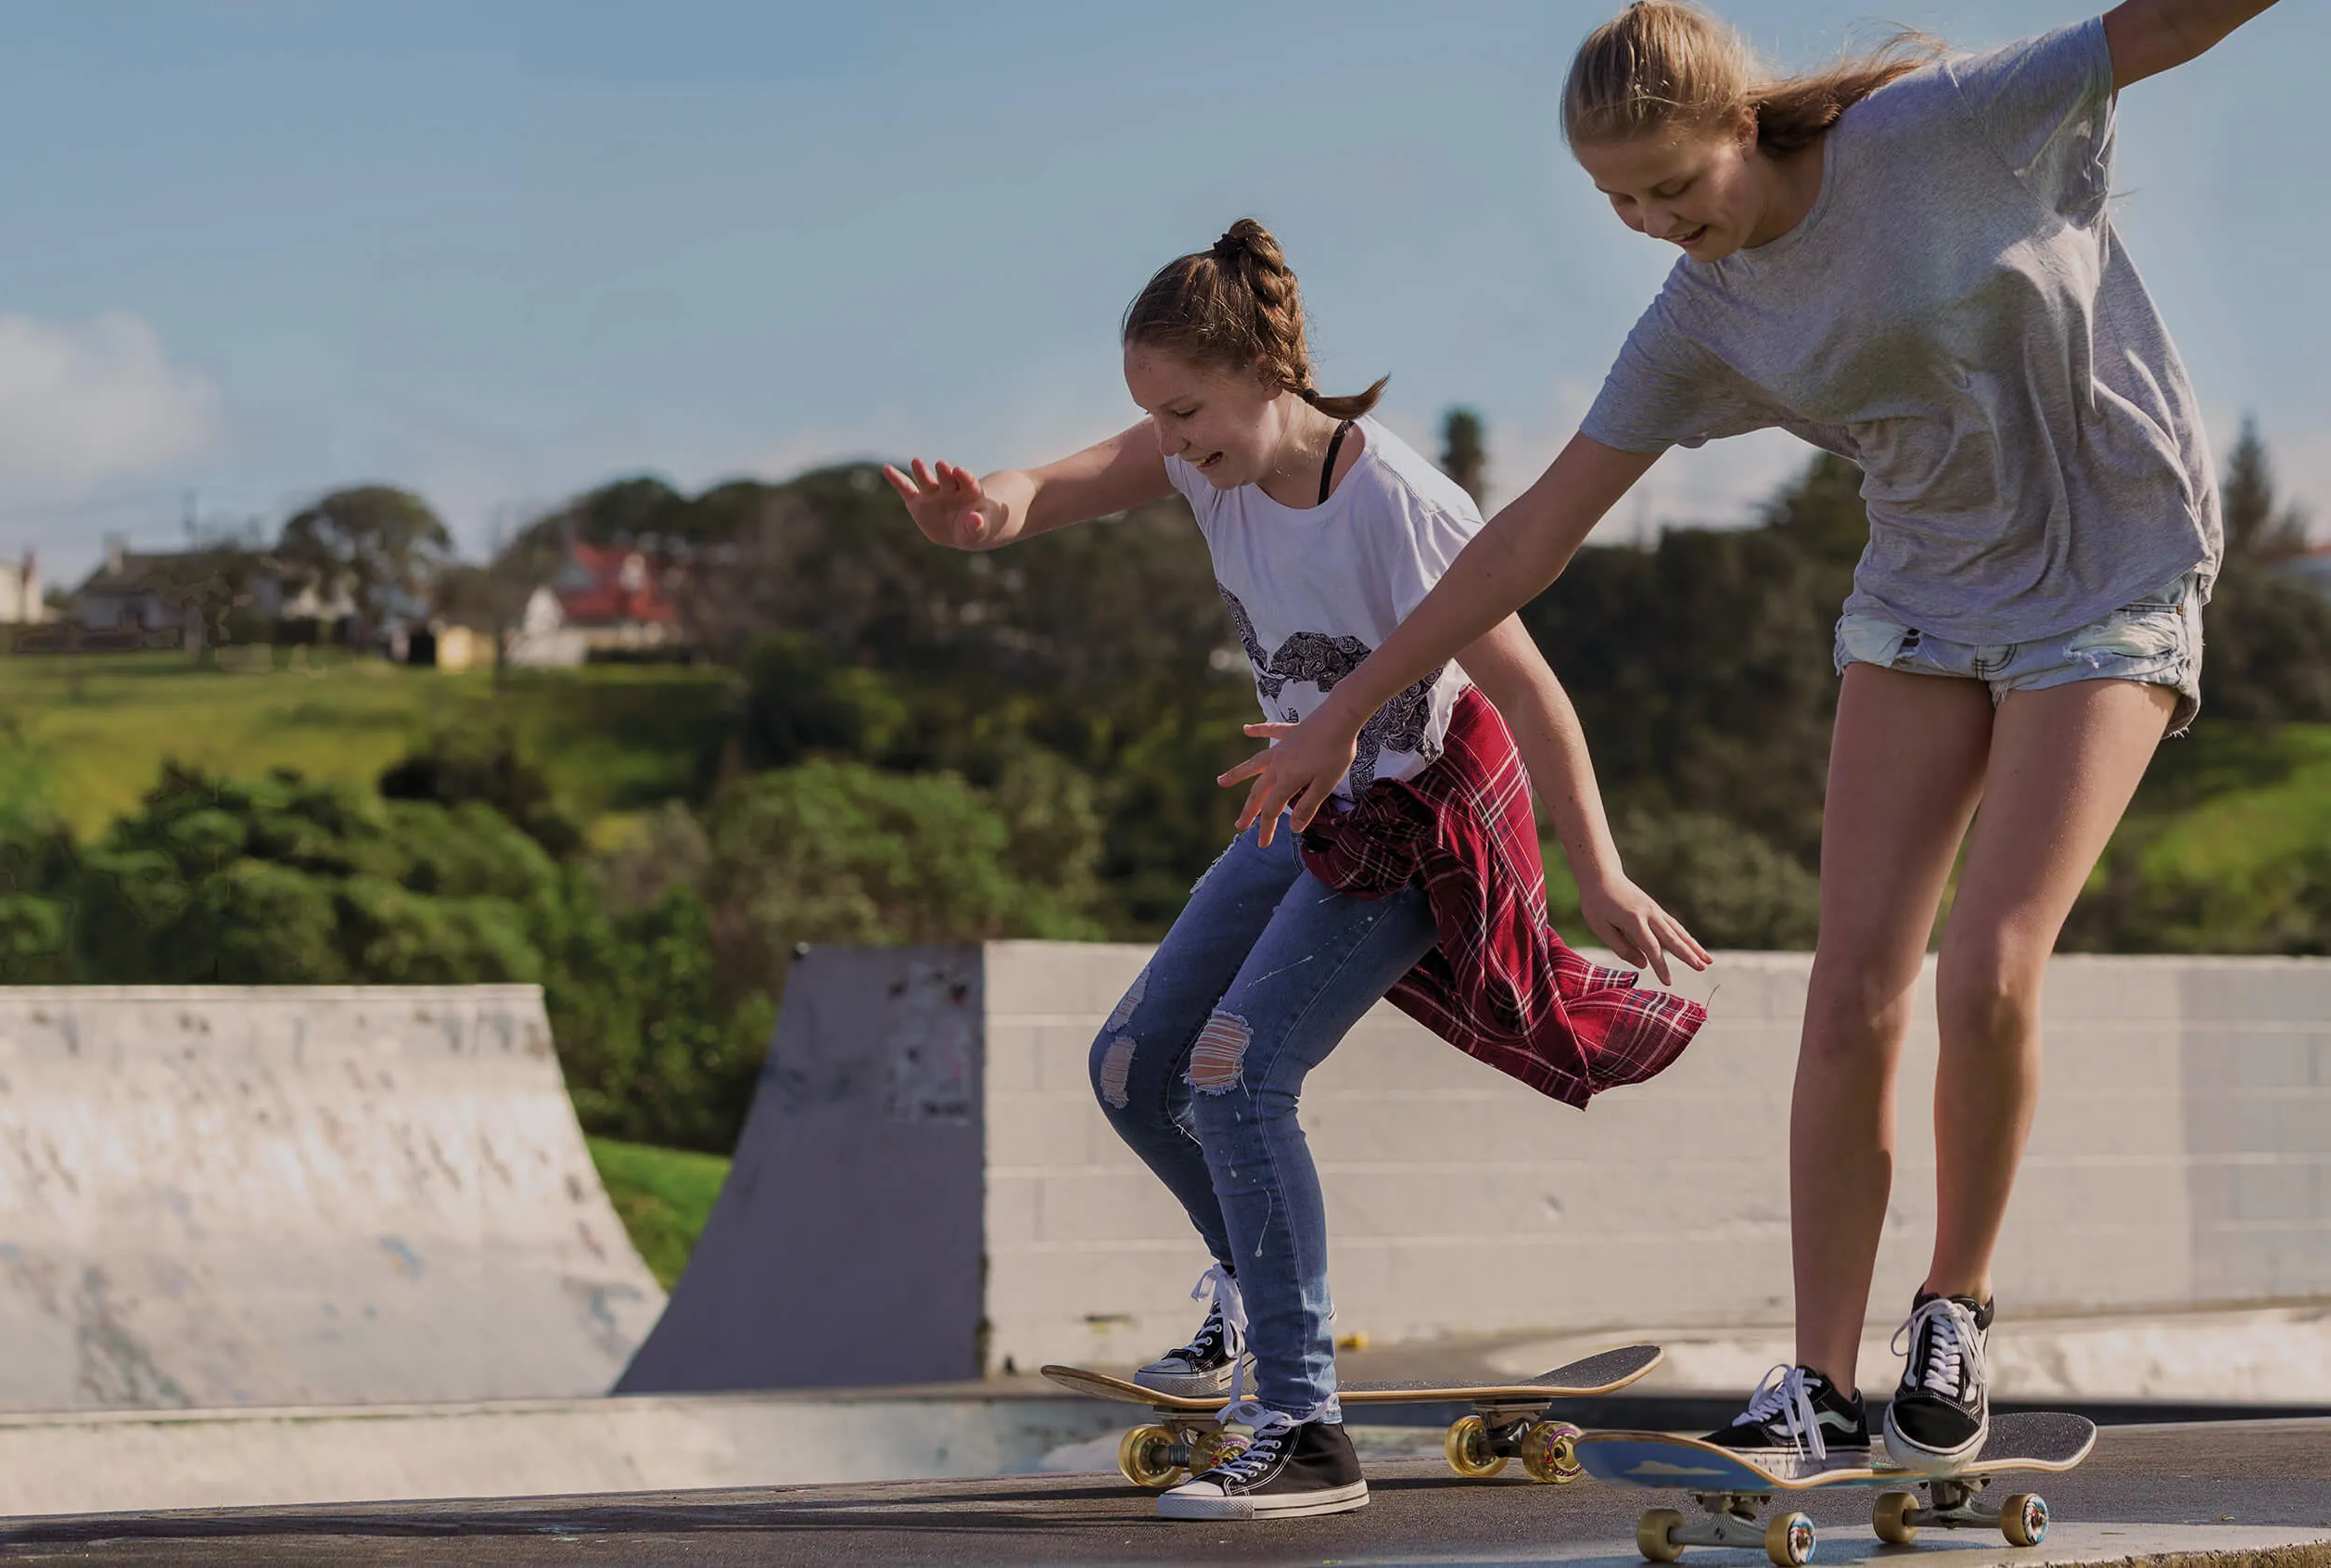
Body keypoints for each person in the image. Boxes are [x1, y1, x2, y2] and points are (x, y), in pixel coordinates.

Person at [1222, 0, 2282, 1480]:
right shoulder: (1701, 318)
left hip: (2115, 576)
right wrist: (1342, 711)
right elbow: (1527, 535)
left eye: (1675, 186)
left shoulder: (1947, 128)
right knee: (1852, 984)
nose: (1657, 223)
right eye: (1620, 202)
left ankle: (1955, 1307)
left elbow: (2162, 24)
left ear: (1744, 124)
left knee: (1987, 962)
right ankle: (1816, 1380)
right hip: (1920, 601)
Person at [887, 218, 1712, 1521]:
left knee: (1234, 1074)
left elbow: (1535, 692)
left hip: (1413, 818)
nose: (1171, 442)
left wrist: (1598, 873)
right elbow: (1051, 487)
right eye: (1154, 416)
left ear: (1271, 369)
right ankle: (1249, 1309)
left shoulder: (1398, 507)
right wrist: (987, 515)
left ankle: (1303, 1423)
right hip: (1304, 808)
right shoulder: (1204, 466)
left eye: (1187, 411)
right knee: (1131, 1070)